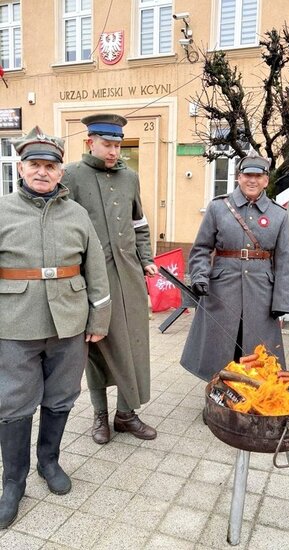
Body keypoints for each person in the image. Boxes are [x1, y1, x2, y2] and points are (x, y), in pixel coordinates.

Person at [0, 127, 111, 529]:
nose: (42, 172)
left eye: (50, 166)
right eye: (35, 165)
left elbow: (95, 268)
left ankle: (49, 462)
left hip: (69, 323)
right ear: (21, 168)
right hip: (15, 322)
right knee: (13, 402)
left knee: (62, 396)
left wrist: (99, 318)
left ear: (61, 172)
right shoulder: (2, 210)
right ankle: (13, 481)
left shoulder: (77, 214)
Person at [62, 113, 158, 445]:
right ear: (90, 142)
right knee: (97, 348)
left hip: (129, 277)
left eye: (118, 145)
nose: (114, 151)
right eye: (107, 145)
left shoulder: (130, 178)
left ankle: (126, 415)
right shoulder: (72, 175)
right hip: (91, 278)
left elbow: (139, 224)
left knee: (133, 344)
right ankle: (100, 415)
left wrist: (146, 260)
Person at [180, 153, 289, 388]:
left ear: (266, 180)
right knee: (222, 345)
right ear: (238, 177)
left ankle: (252, 394)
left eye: (258, 176)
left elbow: (284, 261)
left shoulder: (279, 214)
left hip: (262, 293)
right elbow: (201, 248)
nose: (252, 180)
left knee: (256, 348)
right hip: (222, 290)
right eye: (247, 175)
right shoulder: (218, 208)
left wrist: (282, 301)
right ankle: (218, 393)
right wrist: (199, 276)